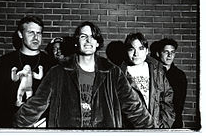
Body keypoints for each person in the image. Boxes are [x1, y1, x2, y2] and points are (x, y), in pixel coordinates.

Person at [13, 21, 154, 129]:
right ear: (76, 42)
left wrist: (154, 130)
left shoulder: (112, 72)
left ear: (98, 43)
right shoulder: (58, 72)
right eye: (83, 36)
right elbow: (37, 105)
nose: (88, 41)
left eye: (93, 37)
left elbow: (134, 107)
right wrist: (14, 127)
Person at [0, 16, 55, 128]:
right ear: (20, 34)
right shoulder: (5, 62)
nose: (36, 37)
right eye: (30, 33)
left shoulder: (50, 63)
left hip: (41, 126)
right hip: (9, 126)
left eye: (39, 33)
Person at [120, 32, 175, 128]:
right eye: (132, 49)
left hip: (155, 128)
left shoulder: (157, 71)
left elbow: (167, 99)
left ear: (146, 51)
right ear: (126, 51)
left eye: (140, 49)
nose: (136, 53)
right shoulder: (120, 74)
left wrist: (163, 126)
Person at [151, 38, 187, 128]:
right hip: (154, 122)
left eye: (172, 52)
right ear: (158, 54)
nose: (170, 55)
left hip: (174, 122)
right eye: (166, 52)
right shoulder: (152, 73)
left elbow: (179, 104)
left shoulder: (180, 76)